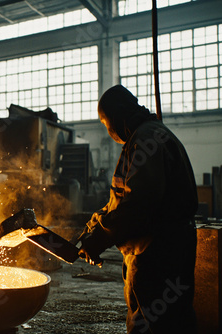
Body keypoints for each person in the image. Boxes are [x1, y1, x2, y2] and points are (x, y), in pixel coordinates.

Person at [78, 85, 198, 333]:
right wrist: (96, 222)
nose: (108, 130)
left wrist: (100, 237)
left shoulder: (146, 139)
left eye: (104, 122)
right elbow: (125, 197)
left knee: (155, 325)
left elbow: (138, 207)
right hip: (159, 251)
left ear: (116, 116)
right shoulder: (146, 136)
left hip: (158, 257)